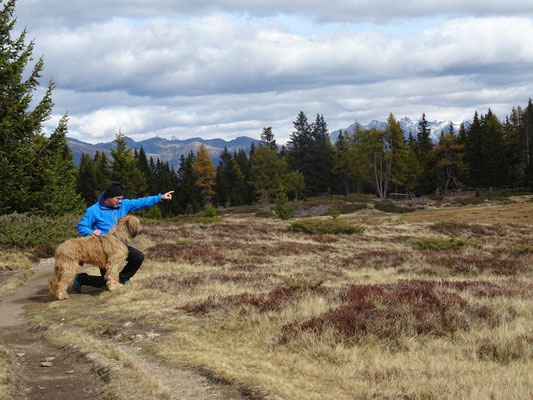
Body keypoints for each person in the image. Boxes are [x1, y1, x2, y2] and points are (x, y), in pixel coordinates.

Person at [72, 182, 174, 293]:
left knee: (138, 257)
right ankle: (81, 278)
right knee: (105, 282)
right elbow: (82, 226)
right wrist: (91, 232)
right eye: (117, 199)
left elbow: (140, 202)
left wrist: (160, 197)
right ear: (108, 198)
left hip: (120, 246)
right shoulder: (94, 210)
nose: (120, 201)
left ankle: (123, 278)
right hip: (104, 249)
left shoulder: (123, 205)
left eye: (121, 198)